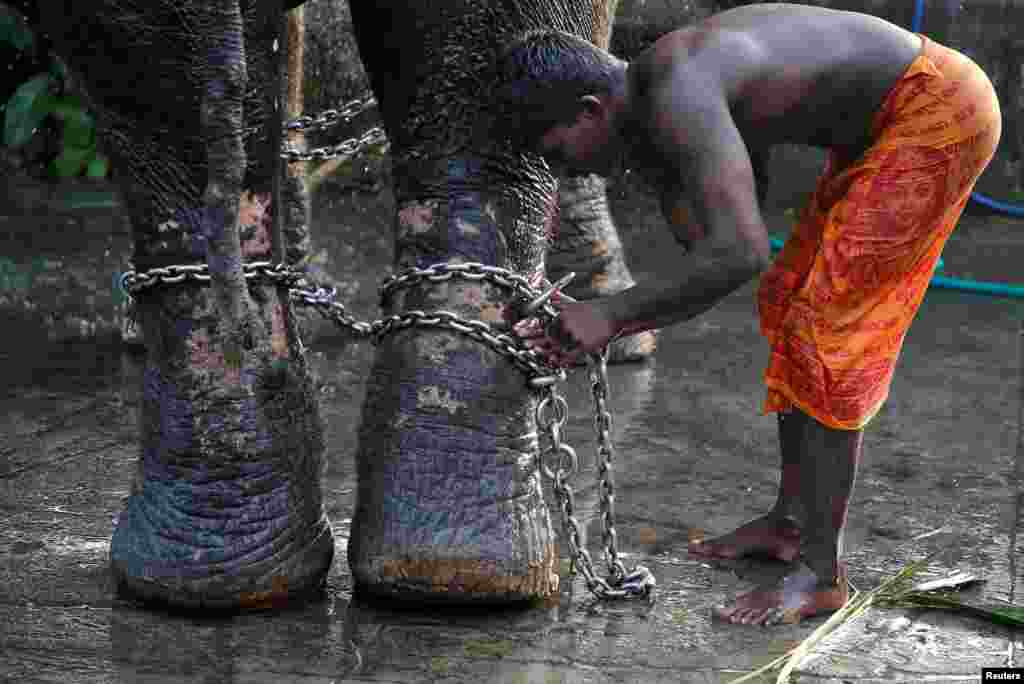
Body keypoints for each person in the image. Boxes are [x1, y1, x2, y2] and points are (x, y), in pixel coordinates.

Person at [500, 3, 1001, 625]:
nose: (562, 167)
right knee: (790, 303)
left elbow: (738, 252)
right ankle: (790, 524)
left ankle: (822, 575)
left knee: (830, 332)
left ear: (590, 110)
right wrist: (611, 310)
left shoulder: (677, 89)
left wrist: (610, 315)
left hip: (936, 110)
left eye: (555, 149)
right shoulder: (655, 106)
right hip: (885, 126)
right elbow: (710, 241)